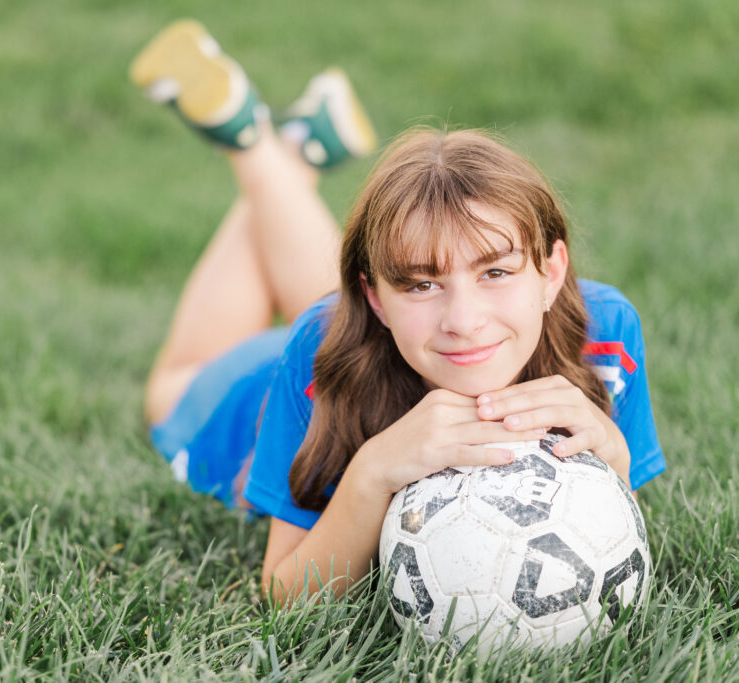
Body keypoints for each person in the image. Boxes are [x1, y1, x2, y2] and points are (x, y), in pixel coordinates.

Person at [130, 20, 666, 605]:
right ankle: (261, 147)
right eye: (420, 284)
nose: (465, 317)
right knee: (172, 383)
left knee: (394, 304)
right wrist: (372, 471)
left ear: (552, 271)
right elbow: (283, 594)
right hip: (253, 394)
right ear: (376, 298)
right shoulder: (315, 351)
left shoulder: (605, 333)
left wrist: (615, 459)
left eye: (496, 272)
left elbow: (617, 545)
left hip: (380, 335)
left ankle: (280, 148)